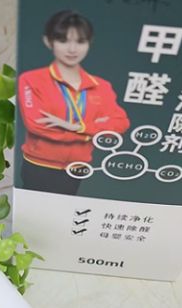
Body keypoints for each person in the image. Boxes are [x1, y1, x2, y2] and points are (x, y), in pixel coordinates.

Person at [18, 10, 130, 195]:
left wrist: (76, 127)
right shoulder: (31, 80)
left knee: (65, 210)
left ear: (89, 44)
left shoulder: (101, 86)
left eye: (80, 41)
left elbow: (121, 123)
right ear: (48, 41)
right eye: (63, 41)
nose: (72, 49)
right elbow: (37, 125)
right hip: (39, 165)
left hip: (76, 168)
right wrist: (91, 133)